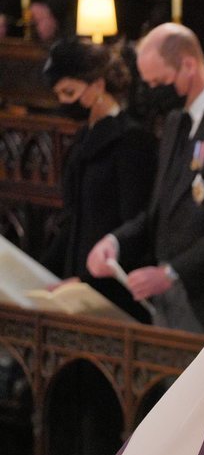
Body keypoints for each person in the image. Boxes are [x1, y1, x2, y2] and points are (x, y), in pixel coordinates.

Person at [86, 23, 204, 334]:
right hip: (171, 296)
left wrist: (172, 273)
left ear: (188, 65)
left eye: (160, 81)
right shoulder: (174, 123)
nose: (155, 91)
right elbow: (160, 210)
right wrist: (115, 241)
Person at [40, 39, 157, 322]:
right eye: (58, 94)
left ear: (98, 85)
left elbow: (136, 224)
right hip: (76, 286)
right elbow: (73, 218)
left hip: (111, 290)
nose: (63, 103)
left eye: (70, 92)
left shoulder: (132, 140)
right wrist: (42, 273)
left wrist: (87, 281)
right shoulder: (83, 138)